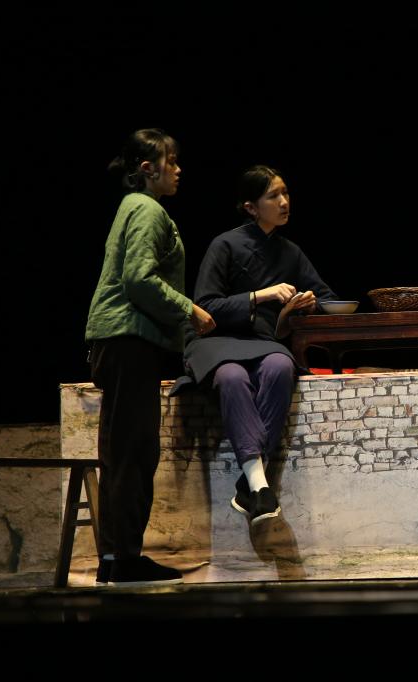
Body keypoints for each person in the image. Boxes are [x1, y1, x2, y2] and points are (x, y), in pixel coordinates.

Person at [85, 128, 216, 586]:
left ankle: (116, 557)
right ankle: (123, 559)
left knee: (124, 451)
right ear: (148, 168)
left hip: (122, 340)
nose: (178, 170)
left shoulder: (133, 206)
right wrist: (189, 308)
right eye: (171, 162)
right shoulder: (146, 209)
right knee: (133, 452)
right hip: (128, 340)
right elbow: (139, 279)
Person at [184, 165, 337, 525]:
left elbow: (328, 297)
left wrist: (309, 303)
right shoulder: (225, 244)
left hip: (262, 343)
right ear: (251, 207)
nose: (284, 202)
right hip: (217, 341)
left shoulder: (290, 252)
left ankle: (251, 485)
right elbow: (205, 306)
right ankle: (260, 486)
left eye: (286, 193)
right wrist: (260, 295)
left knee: (281, 366)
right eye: (273, 196)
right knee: (232, 377)